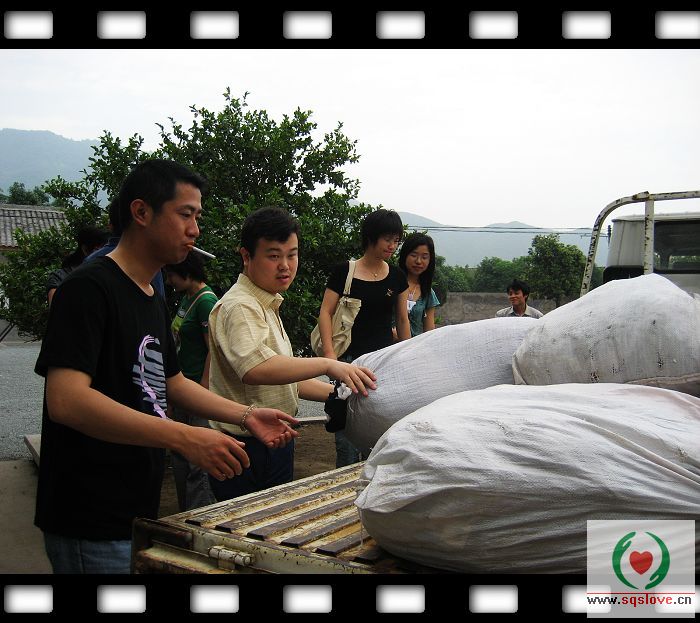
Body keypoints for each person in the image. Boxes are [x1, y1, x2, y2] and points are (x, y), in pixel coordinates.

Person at [34, 160, 298, 574]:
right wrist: (185, 437)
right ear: (141, 212)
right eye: (185, 214)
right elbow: (67, 401)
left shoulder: (149, 293)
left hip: (134, 502)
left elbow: (172, 381)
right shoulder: (87, 288)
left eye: (197, 217)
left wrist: (246, 415)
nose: (195, 230)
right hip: (88, 510)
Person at [207, 206, 377, 500]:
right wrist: (327, 364)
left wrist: (341, 394)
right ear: (246, 256)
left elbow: (286, 379)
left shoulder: (266, 303)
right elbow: (255, 369)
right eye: (274, 256)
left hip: (275, 438)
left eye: (292, 254)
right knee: (249, 524)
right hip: (245, 446)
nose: (285, 265)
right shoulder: (241, 306)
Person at [318, 208, 411, 467]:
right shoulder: (344, 272)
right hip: (348, 361)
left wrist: (407, 355)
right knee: (346, 433)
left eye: (396, 240)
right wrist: (330, 357)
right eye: (387, 239)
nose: (392, 246)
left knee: (379, 432)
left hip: (384, 362)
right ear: (371, 237)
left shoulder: (397, 276)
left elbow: (402, 319)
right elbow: (325, 312)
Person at [163, 252, 219, 511]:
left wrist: (204, 389)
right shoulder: (187, 298)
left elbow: (213, 350)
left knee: (199, 462)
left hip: (196, 388)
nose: (169, 280)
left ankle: (199, 515)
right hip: (181, 388)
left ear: (186, 272)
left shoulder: (206, 301)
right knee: (180, 454)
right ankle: (184, 512)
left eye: (172, 275)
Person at [85, 198, 166, 297]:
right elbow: (159, 300)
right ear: (140, 221)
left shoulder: (91, 262)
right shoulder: (149, 263)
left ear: (110, 226)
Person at [46, 225, 108, 305]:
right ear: (85, 249)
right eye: (99, 250)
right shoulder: (60, 277)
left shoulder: (106, 275)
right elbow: (55, 306)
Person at [397, 232, 441, 337]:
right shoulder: (392, 283)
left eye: (424, 257)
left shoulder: (428, 293)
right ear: (405, 255)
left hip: (413, 346)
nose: (418, 261)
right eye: (414, 255)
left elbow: (429, 331)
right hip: (387, 345)